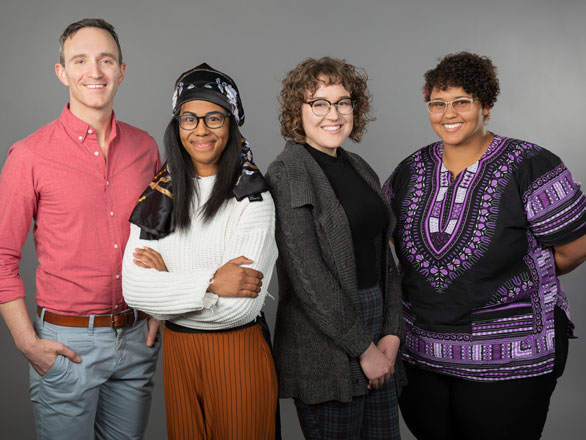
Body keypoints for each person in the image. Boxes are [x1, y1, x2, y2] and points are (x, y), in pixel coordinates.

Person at [382, 51, 586, 440]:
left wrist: (513, 278)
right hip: (422, 351)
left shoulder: (530, 164)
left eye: (462, 101)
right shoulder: (411, 169)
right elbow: (386, 234)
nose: (448, 113)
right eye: (437, 104)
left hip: (510, 352)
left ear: (485, 106)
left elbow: (574, 247)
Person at [0, 18, 161, 439]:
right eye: (81, 60)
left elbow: (165, 234)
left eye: (106, 60)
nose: (95, 72)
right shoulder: (29, 155)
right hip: (67, 346)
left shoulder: (146, 149)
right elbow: (1, 258)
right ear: (62, 72)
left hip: (136, 337)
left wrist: (159, 310)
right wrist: (26, 341)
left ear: (122, 71)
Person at [122, 63, 279, 440]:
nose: (201, 130)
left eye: (214, 117)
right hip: (178, 353)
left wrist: (168, 284)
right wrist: (212, 282)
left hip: (237, 351)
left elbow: (240, 306)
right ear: (177, 126)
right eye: (189, 118)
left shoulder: (252, 198)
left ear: (231, 124)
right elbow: (133, 290)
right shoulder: (158, 197)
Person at [265, 56, 405, 440]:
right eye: (319, 103)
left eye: (343, 102)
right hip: (324, 344)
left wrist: (391, 332)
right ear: (299, 110)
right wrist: (364, 349)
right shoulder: (288, 171)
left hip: (376, 321)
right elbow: (308, 277)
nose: (334, 113)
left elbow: (383, 257)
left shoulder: (358, 165)